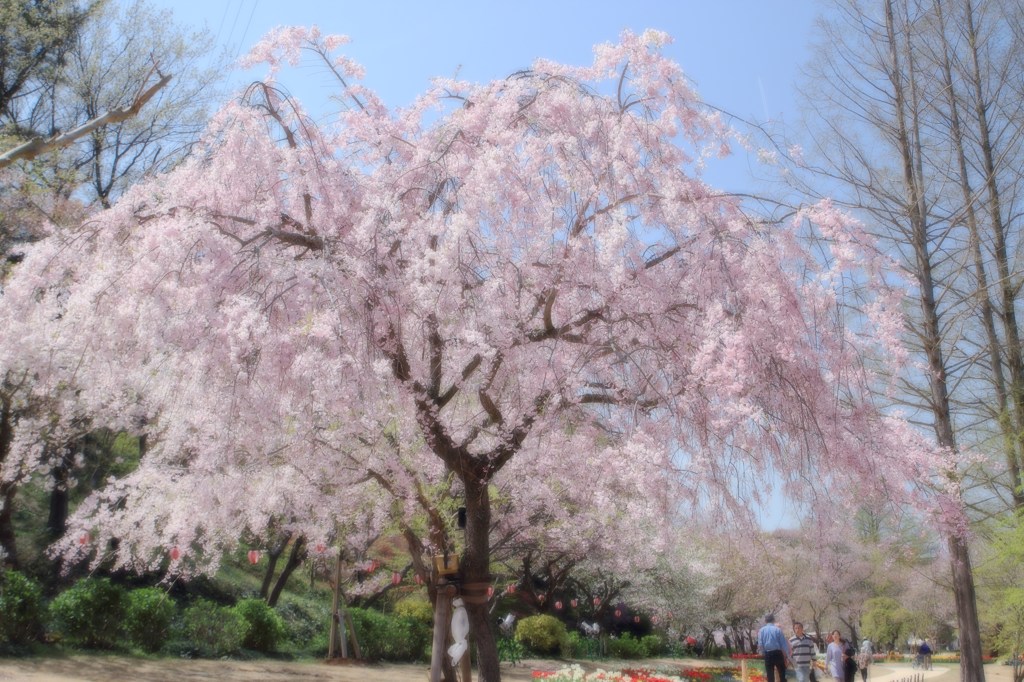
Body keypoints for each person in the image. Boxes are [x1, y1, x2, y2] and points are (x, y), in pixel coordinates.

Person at [758, 614, 791, 682]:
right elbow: (783, 644)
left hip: (768, 654)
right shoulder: (778, 630)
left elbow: (760, 644)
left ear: (765, 621)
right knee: (782, 674)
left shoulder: (761, 630)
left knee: (770, 676)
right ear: (773, 620)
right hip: (778, 653)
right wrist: (787, 656)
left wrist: (763, 653)